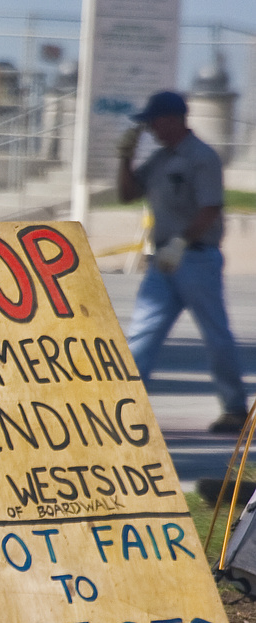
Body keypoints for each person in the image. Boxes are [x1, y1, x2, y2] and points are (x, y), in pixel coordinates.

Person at [118, 89, 247, 434]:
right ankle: (127, 405)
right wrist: (125, 159)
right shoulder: (160, 159)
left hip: (195, 257)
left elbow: (210, 208)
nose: (151, 129)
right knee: (143, 332)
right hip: (165, 259)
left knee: (215, 334)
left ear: (173, 119)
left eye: (154, 122)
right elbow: (128, 194)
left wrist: (181, 241)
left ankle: (235, 408)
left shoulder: (200, 157)